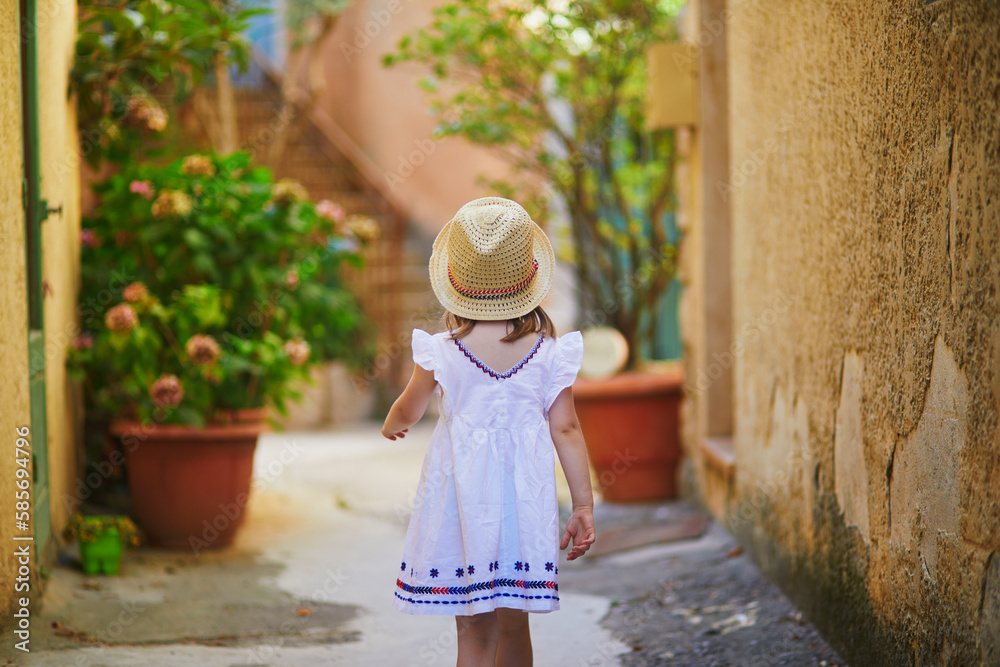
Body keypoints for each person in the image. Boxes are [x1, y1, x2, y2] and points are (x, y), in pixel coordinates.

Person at [381, 197, 597, 667]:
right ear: (529, 275)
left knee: (473, 628)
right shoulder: (549, 354)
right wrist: (582, 504)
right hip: (523, 507)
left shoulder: (441, 351)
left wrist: (393, 423)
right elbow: (566, 428)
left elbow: (409, 408)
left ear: (456, 278)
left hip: (460, 506)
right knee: (514, 623)